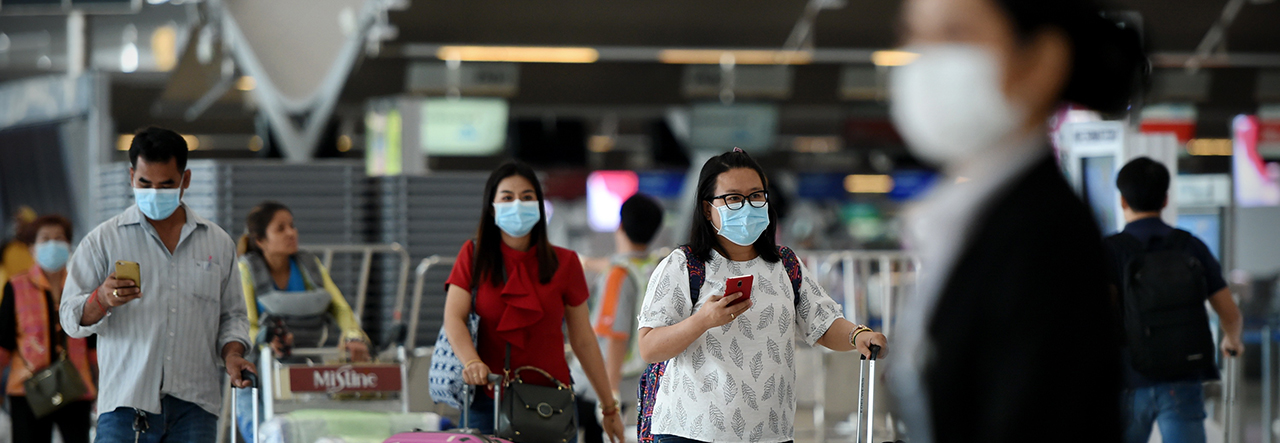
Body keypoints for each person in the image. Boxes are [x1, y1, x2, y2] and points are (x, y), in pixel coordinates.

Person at [886, 0, 1146, 441]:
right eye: (914, 34)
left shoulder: (1043, 235)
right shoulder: (979, 217)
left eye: (954, 35)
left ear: (1042, 60)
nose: (924, 59)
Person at [636, 148, 888, 443]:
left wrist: (857, 336)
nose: (747, 206)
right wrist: (703, 320)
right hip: (692, 431)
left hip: (771, 433)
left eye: (756, 196)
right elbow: (649, 347)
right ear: (707, 208)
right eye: (733, 198)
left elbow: (822, 322)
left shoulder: (784, 264)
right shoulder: (684, 265)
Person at [58, 126, 254, 443]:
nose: (154, 193)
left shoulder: (217, 243)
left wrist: (232, 354)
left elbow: (233, 316)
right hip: (124, 407)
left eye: (166, 185)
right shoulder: (103, 241)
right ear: (131, 176)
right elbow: (69, 317)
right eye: (145, 183)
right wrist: (101, 299)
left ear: (185, 181)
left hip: (195, 408)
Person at [442, 162, 626, 443]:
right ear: (492, 208)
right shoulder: (473, 255)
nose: (518, 204)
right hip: (486, 401)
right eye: (507, 197)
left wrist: (609, 406)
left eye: (527, 197)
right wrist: (471, 361)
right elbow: (454, 317)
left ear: (539, 205)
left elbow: (583, 339)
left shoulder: (565, 263)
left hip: (550, 404)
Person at [1106, 158, 1243, 443]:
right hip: (1182, 377)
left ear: (1122, 201)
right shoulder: (1190, 245)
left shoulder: (1110, 251)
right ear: (1166, 199)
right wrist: (1232, 340)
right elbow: (1230, 312)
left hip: (1128, 379)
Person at [234, 201, 372, 442]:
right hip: (257, 375)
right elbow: (246, 324)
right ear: (260, 240)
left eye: (292, 226)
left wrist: (353, 335)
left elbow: (340, 307)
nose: (291, 233)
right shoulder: (245, 270)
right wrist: (268, 342)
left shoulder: (310, 265)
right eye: (281, 228)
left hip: (305, 372)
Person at [570, 194, 667, 443]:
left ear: (620, 226)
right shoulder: (654, 265)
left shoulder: (617, 276)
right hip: (631, 380)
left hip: (598, 382)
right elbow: (618, 262)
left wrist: (608, 395)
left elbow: (616, 335)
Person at [0, 215, 96, 443]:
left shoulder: (82, 286)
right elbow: (3, 341)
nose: (52, 244)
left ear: (69, 244)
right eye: (45, 239)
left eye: (59, 238)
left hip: (77, 387)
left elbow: (93, 342)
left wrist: (103, 384)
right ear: (32, 248)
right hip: (28, 390)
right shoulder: (16, 286)